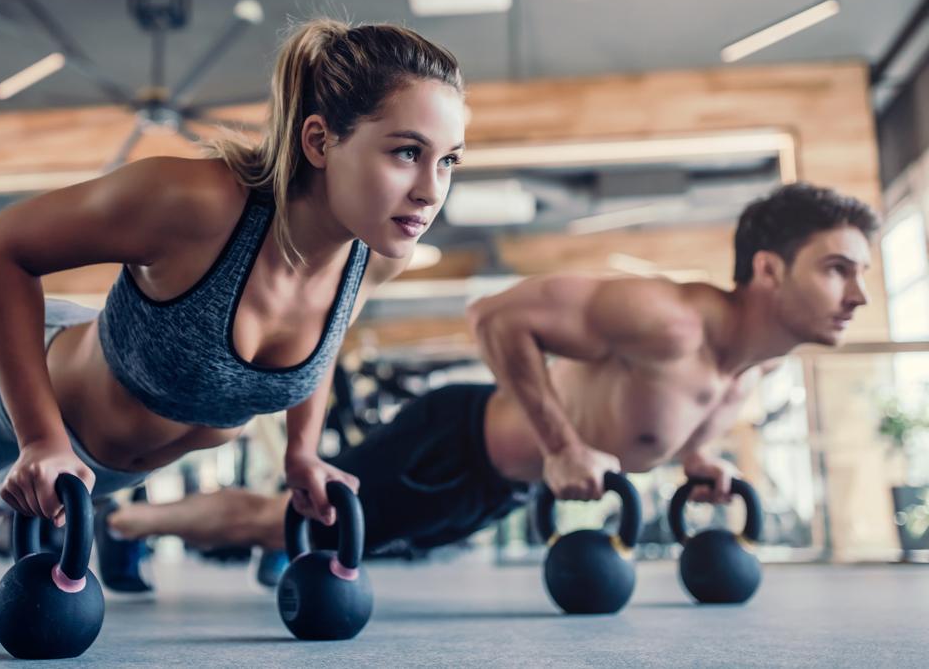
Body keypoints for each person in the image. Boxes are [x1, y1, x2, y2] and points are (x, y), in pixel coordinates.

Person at [0, 17, 468, 618]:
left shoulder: (375, 253)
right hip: (18, 385)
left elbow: (320, 348)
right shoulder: (195, 204)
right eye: (407, 152)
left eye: (449, 160)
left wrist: (302, 453)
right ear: (320, 141)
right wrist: (39, 436)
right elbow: (0, 245)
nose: (431, 189)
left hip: (88, 464)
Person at [98, 183, 877, 570]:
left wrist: (698, 460)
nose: (861, 295)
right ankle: (126, 525)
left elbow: (653, 419)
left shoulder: (754, 367)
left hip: (492, 487)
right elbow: (495, 316)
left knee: (333, 543)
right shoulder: (666, 317)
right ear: (769, 270)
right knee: (281, 521)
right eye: (839, 269)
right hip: (453, 443)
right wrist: (563, 445)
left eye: (863, 274)